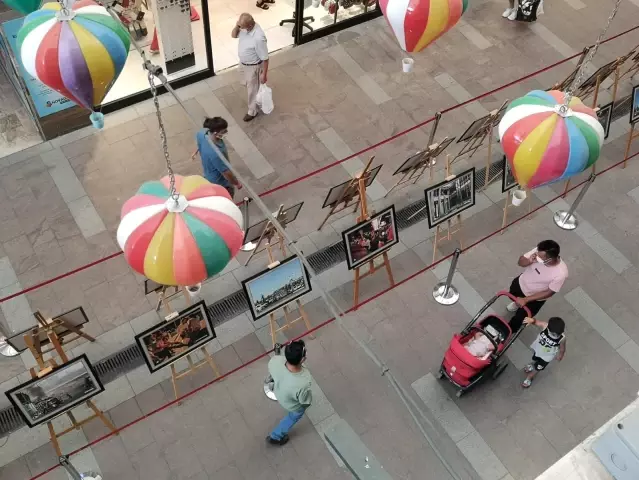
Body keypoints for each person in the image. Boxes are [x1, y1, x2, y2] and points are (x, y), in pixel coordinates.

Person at [506, 240, 568, 333]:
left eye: (541, 258)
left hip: (534, 300)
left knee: (520, 319)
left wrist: (525, 300)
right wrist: (529, 261)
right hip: (520, 284)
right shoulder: (538, 252)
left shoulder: (561, 273)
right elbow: (520, 262)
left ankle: (508, 331)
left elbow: (549, 292)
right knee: (512, 295)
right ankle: (516, 303)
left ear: (550, 259)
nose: (537, 257)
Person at [266, 340, 313, 446]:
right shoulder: (304, 381)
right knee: (292, 418)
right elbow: (304, 401)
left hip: (278, 392)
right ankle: (275, 436)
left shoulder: (275, 361)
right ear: (302, 359)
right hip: (293, 406)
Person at [232, 14, 269, 122]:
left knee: (252, 90)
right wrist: (237, 26)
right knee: (247, 85)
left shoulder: (258, 38)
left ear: (249, 25)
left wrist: (264, 74)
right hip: (243, 64)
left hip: (253, 67)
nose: (241, 28)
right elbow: (234, 35)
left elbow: (265, 58)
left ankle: (252, 111)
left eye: (242, 26)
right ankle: (256, 96)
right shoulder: (243, 28)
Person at [192, 117, 242, 197]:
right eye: (224, 131)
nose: (226, 132)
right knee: (228, 198)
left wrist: (198, 150)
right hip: (220, 183)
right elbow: (226, 173)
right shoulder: (216, 154)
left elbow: (200, 143)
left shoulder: (202, 133)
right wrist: (237, 183)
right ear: (215, 133)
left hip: (208, 174)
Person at [521, 316, 566, 388]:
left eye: (559, 333)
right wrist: (532, 320)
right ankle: (532, 365)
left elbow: (562, 348)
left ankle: (529, 377)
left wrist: (560, 355)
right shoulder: (546, 326)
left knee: (538, 368)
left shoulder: (562, 338)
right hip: (538, 350)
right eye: (554, 334)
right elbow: (537, 322)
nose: (557, 336)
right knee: (535, 359)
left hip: (547, 356)